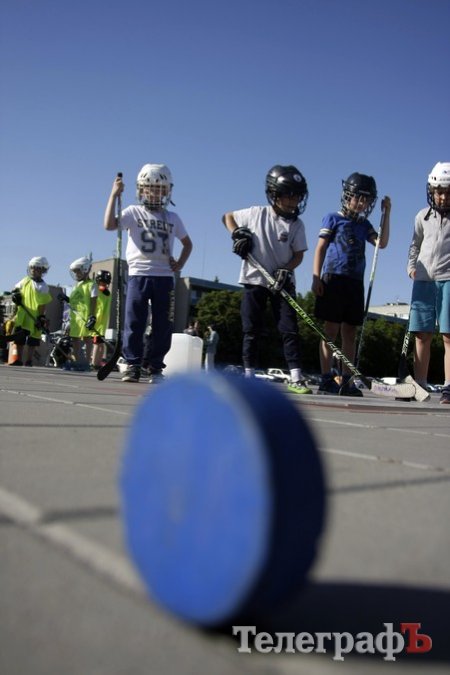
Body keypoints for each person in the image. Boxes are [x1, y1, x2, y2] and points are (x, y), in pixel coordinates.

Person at [222, 164, 312, 394]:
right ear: (274, 194)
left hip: (282, 283)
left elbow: (299, 255)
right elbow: (227, 217)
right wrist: (236, 234)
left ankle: (296, 377)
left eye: (298, 196)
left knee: (289, 329)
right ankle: (249, 375)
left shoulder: (297, 225)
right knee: (251, 329)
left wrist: (286, 270)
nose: (294, 201)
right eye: (289, 196)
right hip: (255, 279)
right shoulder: (256, 213)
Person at [104, 164, 193, 383]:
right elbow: (109, 225)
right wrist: (113, 195)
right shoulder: (133, 212)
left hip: (164, 277)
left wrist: (179, 263)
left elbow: (188, 244)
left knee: (163, 325)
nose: (154, 192)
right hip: (138, 274)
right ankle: (133, 364)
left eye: (159, 188)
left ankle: (155, 366)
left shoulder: (172, 217)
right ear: (141, 189)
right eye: (149, 188)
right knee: (135, 321)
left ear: (167, 191)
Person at [311, 172, 390, 396]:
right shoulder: (332, 218)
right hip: (333, 278)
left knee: (350, 333)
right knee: (330, 331)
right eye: (359, 198)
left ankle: (347, 380)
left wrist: (387, 213)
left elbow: (381, 243)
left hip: (355, 282)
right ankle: (326, 378)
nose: (362, 203)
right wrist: (316, 276)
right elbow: (320, 248)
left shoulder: (365, 224)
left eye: (367, 200)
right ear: (347, 195)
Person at [407, 161, 450, 405]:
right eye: (439, 192)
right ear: (431, 191)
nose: (443, 197)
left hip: (448, 279)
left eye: (448, 192)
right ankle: (420, 385)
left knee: (448, 336)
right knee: (422, 334)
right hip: (423, 280)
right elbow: (415, 245)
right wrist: (411, 267)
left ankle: (449, 386)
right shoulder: (421, 217)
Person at [10, 256, 52, 366]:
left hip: (34, 316)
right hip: (22, 315)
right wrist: (15, 295)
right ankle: (18, 359)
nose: (33, 270)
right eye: (32, 267)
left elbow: (42, 303)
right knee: (19, 338)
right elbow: (15, 289)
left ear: (43, 270)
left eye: (36, 268)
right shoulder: (25, 281)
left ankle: (29, 360)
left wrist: (41, 317)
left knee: (33, 340)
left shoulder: (43, 287)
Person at [66, 256, 98, 366]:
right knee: (75, 339)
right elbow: (74, 301)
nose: (76, 274)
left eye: (78, 271)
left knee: (87, 338)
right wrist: (66, 299)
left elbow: (93, 301)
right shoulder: (76, 286)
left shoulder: (92, 284)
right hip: (75, 318)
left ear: (85, 269)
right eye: (74, 272)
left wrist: (92, 316)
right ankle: (76, 361)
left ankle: (87, 362)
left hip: (85, 317)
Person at [91, 270, 112, 369]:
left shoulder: (103, 291)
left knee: (99, 344)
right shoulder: (103, 291)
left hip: (100, 323)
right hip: (99, 323)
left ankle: (96, 363)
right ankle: (96, 363)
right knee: (98, 344)